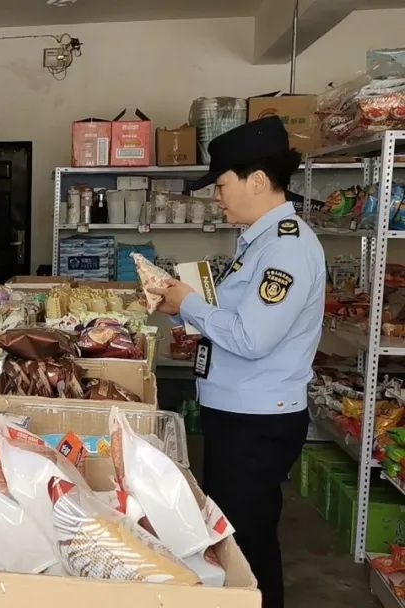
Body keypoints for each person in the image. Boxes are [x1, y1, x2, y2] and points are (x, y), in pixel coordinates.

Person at [148, 116, 324, 608]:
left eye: (222, 185)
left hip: (257, 421)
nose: (217, 197)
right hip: (237, 413)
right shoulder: (260, 242)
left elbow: (250, 336)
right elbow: (235, 317)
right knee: (234, 537)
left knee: (247, 546)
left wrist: (190, 304)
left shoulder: (287, 248)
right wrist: (184, 308)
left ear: (258, 180)